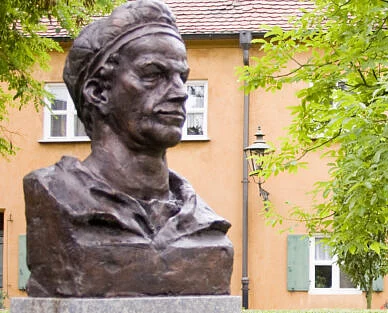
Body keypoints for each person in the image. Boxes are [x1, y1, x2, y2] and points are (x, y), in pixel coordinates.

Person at [23, 0, 234, 297]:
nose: (181, 93)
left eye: (181, 77)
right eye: (153, 74)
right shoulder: (58, 197)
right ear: (99, 92)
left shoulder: (203, 223)